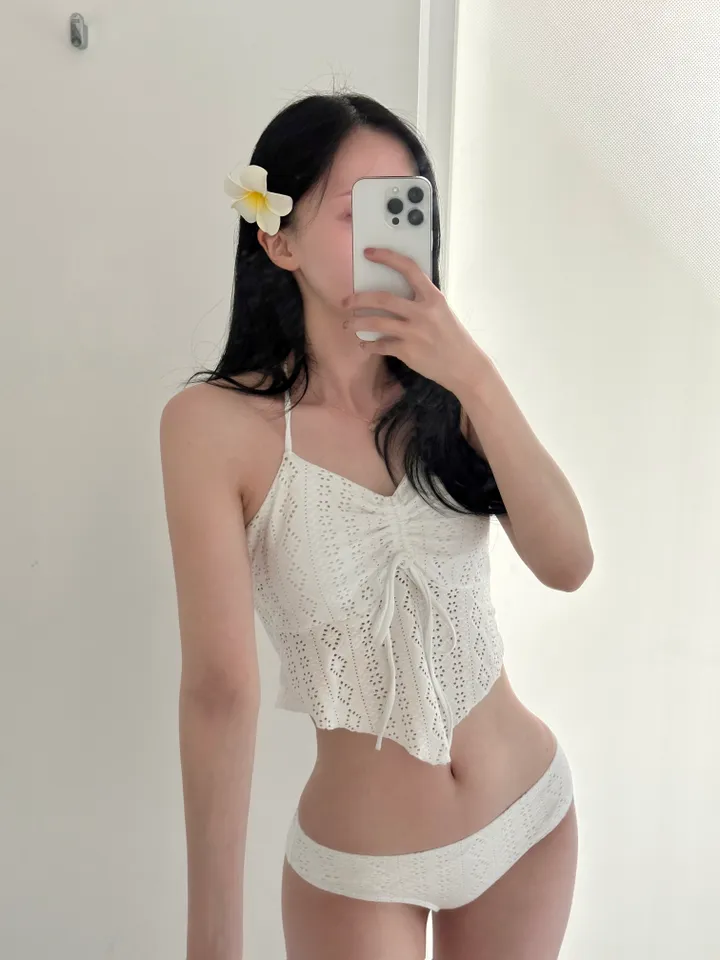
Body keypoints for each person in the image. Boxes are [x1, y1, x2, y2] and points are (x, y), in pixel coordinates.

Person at [160, 90, 594, 960]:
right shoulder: (212, 427)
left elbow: (568, 563)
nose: (389, 235)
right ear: (278, 239)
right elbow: (220, 691)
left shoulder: (451, 390)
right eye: (358, 210)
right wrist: (212, 937)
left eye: (406, 205)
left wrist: (474, 374)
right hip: (360, 868)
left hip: (528, 822)